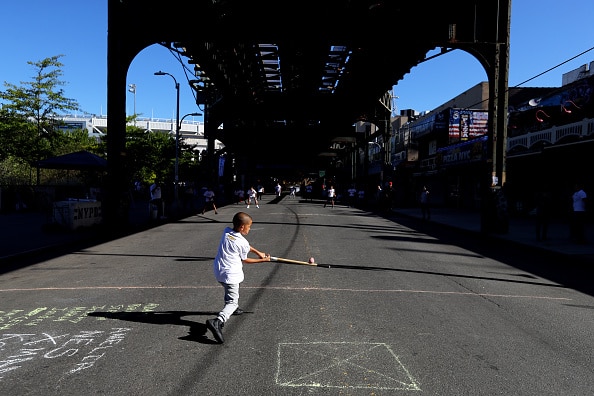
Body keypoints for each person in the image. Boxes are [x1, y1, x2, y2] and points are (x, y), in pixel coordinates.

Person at [206, 212, 271, 344]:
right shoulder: (242, 242)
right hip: (231, 274)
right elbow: (245, 259)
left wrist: (259, 253)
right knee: (232, 301)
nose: (250, 229)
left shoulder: (227, 231)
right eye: (249, 226)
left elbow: (246, 247)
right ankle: (218, 321)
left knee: (229, 291)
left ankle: (233, 310)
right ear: (242, 227)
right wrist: (263, 261)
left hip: (219, 271)